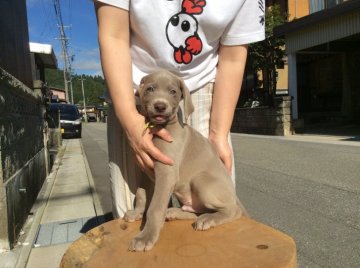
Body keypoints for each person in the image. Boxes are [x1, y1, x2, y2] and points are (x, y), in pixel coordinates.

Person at [94, 0, 265, 219]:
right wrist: (129, 119)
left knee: (214, 206)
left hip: (202, 88)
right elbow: (113, 35)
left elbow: (232, 57)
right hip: (134, 90)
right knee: (132, 218)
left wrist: (219, 133)